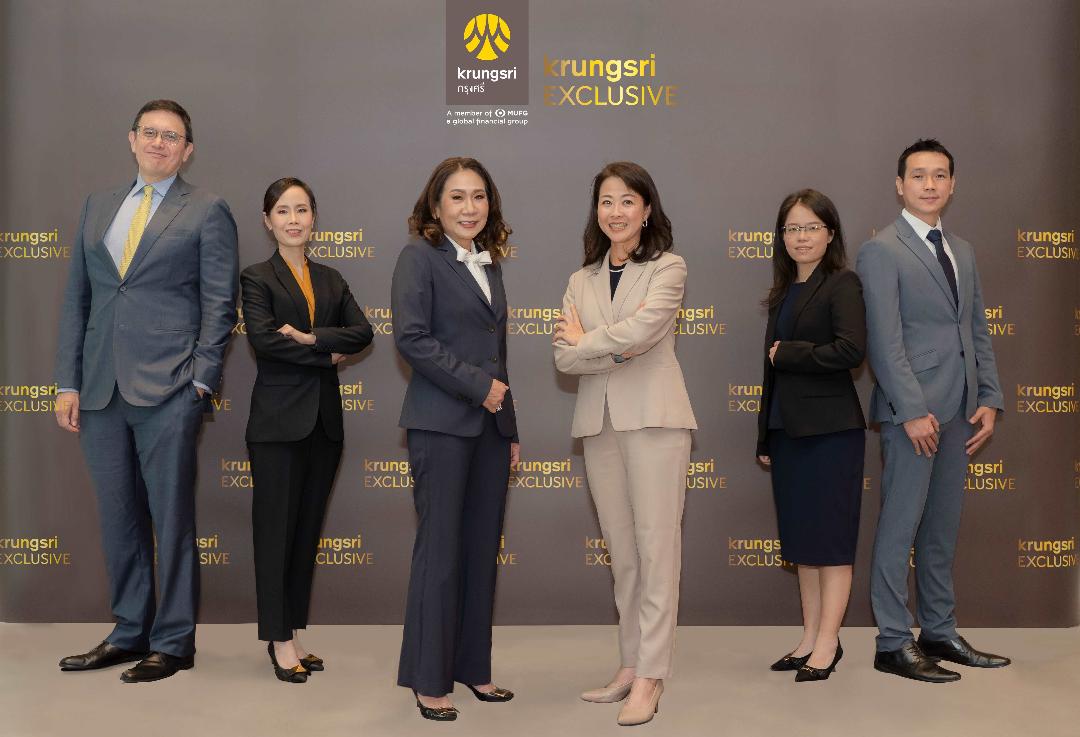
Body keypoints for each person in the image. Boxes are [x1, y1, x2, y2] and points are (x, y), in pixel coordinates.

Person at [53, 99, 238, 682]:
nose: (159, 143)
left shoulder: (207, 209)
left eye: (172, 136)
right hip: (100, 389)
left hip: (170, 389)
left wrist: (201, 381)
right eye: (150, 132)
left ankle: (174, 641)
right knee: (118, 517)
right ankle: (130, 630)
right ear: (132, 139)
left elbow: (219, 304)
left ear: (188, 150)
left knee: (172, 519)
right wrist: (68, 381)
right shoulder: (97, 205)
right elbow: (78, 300)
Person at [857, 139, 1008, 683]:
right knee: (900, 527)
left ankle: (939, 631)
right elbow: (884, 340)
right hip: (913, 415)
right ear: (900, 185)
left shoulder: (961, 249)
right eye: (918, 175)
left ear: (952, 184)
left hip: (961, 409)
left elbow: (976, 329)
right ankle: (893, 641)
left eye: (939, 175)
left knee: (941, 530)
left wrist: (988, 397)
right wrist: (911, 409)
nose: (929, 184)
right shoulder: (881, 249)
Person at [553, 161, 695, 727]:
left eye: (627, 201)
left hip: (655, 421)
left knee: (657, 550)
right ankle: (631, 664)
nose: (616, 212)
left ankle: (653, 675)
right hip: (600, 423)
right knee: (625, 554)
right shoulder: (580, 279)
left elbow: (645, 331)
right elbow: (564, 357)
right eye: (607, 201)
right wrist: (606, 347)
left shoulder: (668, 267)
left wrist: (590, 341)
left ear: (647, 209)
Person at [392, 157, 520, 721]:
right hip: (441, 425)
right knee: (440, 553)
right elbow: (412, 339)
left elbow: (497, 354)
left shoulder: (488, 262)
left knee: (479, 553)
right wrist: (480, 389)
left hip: (490, 429)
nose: (470, 208)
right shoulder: (418, 258)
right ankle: (429, 679)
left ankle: (473, 668)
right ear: (436, 205)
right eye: (458, 197)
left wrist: (508, 425)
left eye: (479, 196)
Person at [241, 177, 373, 683]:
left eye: (301, 210)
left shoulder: (331, 278)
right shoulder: (257, 278)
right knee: (276, 534)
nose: (293, 220)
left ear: (314, 217)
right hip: (277, 425)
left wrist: (310, 336)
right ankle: (278, 639)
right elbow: (264, 341)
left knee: (304, 535)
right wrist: (324, 353)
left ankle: (292, 633)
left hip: (324, 425)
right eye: (282, 211)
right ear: (268, 220)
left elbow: (363, 332)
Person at [755, 189, 866, 682]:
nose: (801, 237)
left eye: (811, 227)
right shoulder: (783, 292)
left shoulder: (842, 283)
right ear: (782, 236)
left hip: (831, 431)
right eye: (792, 228)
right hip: (787, 431)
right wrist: (765, 435)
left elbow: (851, 351)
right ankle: (808, 637)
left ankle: (829, 642)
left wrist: (792, 353)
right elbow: (770, 372)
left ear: (830, 233)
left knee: (831, 542)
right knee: (803, 544)